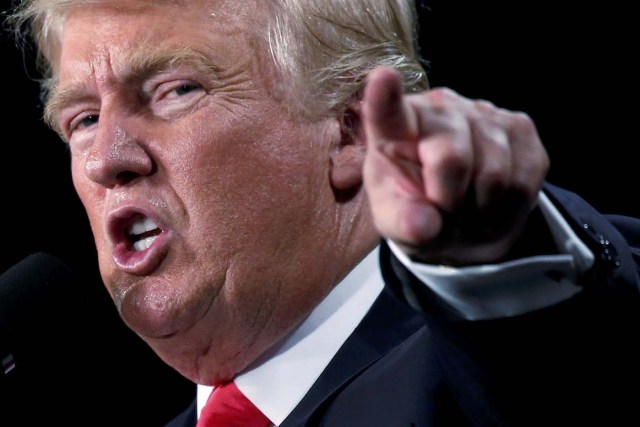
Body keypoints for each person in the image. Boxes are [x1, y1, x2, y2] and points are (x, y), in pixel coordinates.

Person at [4, 0, 639, 426]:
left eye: (175, 91)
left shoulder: (472, 377)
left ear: (350, 129)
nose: (105, 160)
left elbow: (571, 365)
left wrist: (500, 259)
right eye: (83, 119)